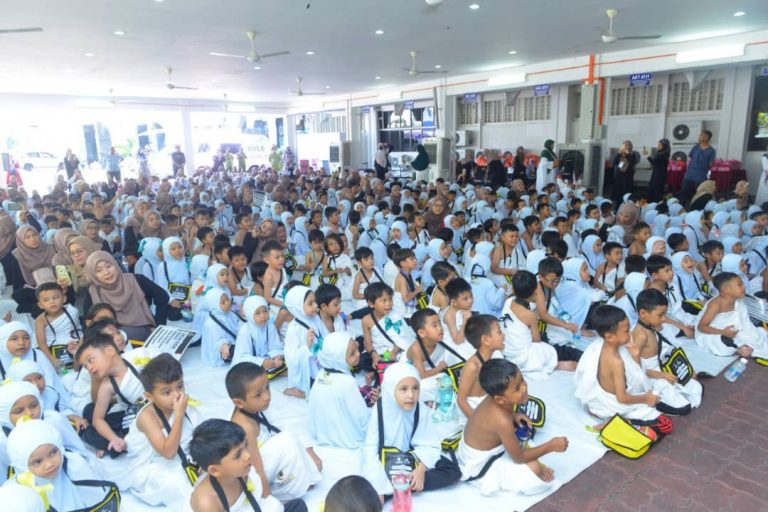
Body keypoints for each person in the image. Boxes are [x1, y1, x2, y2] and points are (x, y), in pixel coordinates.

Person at [458, 358, 568, 496]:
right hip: (478, 464)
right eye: (517, 388)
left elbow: (499, 415)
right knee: (534, 468)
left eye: (522, 380)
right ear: (499, 399)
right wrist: (551, 446)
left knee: (525, 445)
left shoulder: (494, 399)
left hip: (472, 448)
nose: (524, 388)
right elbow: (519, 458)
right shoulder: (502, 421)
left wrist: (514, 415)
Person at [226, 362, 322, 502]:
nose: (267, 396)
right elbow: (257, 469)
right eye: (258, 395)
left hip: (263, 459)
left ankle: (304, 474)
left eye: (267, 388)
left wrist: (308, 451)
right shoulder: (245, 427)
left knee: (296, 443)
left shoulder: (252, 407)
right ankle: (294, 487)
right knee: (288, 441)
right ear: (239, 403)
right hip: (252, 472)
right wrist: (268, 500)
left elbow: (278, 428)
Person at [361, 362, 460, 496]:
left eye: (415, 388)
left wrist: (420, 470)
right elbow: (370, 449)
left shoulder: (420, 408)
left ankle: (402, 486)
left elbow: (429, 443)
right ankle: (395, 488)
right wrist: (379, 486)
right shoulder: (380, 410)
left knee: (452, 471)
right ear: (391, 389)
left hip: (412, 456)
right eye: (404, 389)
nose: (411, 395)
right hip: (386, 460)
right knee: (372, 481)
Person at [115, 353, 199, 507]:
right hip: (153, 464)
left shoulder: (182, 404)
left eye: (180, 386)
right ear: (150, 396)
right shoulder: (147, 417)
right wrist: (179, 415)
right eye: (167, 392)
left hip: (182, 455)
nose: (177, 395)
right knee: (178, 486)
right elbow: (168, 453)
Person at [574, 306, 673, 432]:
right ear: (610, 337)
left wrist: (636, 356)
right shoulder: (616, 362)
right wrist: (646, 398)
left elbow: (634, 374)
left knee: (661, 402)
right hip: (614, 405)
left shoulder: (606, 345)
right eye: (626, 331)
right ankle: (618, 421)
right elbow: (622, 398)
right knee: (666, 425)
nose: (630, 334)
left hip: (606, 402)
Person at [5, 419, 111, 512]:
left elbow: (98, 497)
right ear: (22, 465)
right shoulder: (16, 494)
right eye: (37, 462)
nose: (49, 464)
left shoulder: (74, 464)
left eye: (53, 453)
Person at [187, 419, 286, 512]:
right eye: (238, 455)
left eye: (245, 445)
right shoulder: (207, 504)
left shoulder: (238, 470)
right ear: (215, 470)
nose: (247, 455)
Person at [76, 333, 147, 458]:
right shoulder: (106, 385)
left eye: (91, 360)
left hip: (157, 405)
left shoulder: (140, 355)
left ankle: (116, 444)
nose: (90, 368)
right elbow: (98, 419)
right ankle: (118, 443)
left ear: (110, 350)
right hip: (135, 412)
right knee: (89, 431)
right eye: (86, 367)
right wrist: (114, 439)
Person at [632, 289, 702, 415]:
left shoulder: (652, 326)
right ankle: (653, 401)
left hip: (663, 369)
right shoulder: (640, 335)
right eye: (660, 315)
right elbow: (633, 367)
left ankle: (675, 394)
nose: (664, 319)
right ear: (643, 313)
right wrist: (661, 375)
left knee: (697, 387)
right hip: (651, 376)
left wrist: (685, 370)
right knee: (684, 408)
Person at [308, 331, 376, 448]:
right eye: (352, 353)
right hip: (349, 437)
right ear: (338, 359)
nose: (358, 354)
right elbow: (361, 418)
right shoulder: (348, 382)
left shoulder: (320, 374)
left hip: (323, 433)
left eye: (357, 349)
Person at [83, 251, 168, 342]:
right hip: (111, 341)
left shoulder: (135, 280)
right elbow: (87, 322)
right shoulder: (93, 292)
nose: (106, 272)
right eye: (99, 270)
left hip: (143, 333)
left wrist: (159, 326)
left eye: (108, 266)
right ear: (93, 275)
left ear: (115, 264)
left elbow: (163, 297)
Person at [695, 272, 768, 358]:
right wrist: (723, 332)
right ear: (726, 289)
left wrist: (753, 337)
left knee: (759, 334)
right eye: (739, 285)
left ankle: (742, 346)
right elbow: (701, 327)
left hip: (732, 330)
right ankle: (738, 349)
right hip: (713, 332)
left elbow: (745, 324)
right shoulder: (716, 305)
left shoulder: (739, 302)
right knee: (721, 343)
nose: (744, 287)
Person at [501, 271, 560, 376]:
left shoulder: (508, 301)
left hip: (507, 350)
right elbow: (536, 340)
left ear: (513, 289)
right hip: (523, 355)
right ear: (534, 292)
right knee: (549, 351)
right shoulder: (530, 315)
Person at [283, 285, 325, 399]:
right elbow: (291, 359)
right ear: (298, 306)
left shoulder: (315, 318)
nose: (315, 306)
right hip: (306, 368)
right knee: (322, 391)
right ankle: (299, 390)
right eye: (310, 303)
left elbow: (325, 336)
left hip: (319, 361)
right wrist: (307, 347)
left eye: (315, 302)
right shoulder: (294, 328)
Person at [34, 282, 82, 369]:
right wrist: (51, 358)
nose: (52, 302)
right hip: (54, 351)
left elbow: (79, 331)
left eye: (55, 298)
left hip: (76, 345)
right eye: (46, 300)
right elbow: (41, 342)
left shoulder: (73, 311)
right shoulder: (40, 320)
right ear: (40, 305)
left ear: (64, 298)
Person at [232, 295, 284, 368]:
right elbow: (241, 357)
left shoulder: (270, 326)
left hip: (268, 363)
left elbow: (275, 346)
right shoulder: (245, 331)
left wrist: (276, 357)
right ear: (249, 314)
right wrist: (261, 362)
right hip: (249, 367)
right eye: (257, 313)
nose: (262, 316)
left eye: (265, 311)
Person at [201, 289, 241, 367]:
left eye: (227, 299)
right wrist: (224, 345)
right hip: (223, 350)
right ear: (214, 304)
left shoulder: (230, 314)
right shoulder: (210, 323)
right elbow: (214, 343)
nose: (227, 303)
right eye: (223, 302)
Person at [678, 130, 716, 206]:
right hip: (689, 175)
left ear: (706, 137)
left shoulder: (711, 151)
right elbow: (691, 159)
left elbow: (710, 165)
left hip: (700, 177)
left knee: (698, 195)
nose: (699, 137)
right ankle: (680, 208)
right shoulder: (695, 147)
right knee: (683, 193)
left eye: (701, 135)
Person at [611, 140, 638, 207]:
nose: (625, 147)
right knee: (618, 191)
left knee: (626, 191)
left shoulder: (633, 154)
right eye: (624, 145)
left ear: (630, 146)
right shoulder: (621, 153)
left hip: (627, 176)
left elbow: (632, 163)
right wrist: (619, 154)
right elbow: (615, 162)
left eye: (626, 145)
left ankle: (626, 205)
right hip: (619, 176)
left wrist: (627, 154)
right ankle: (618, 206)